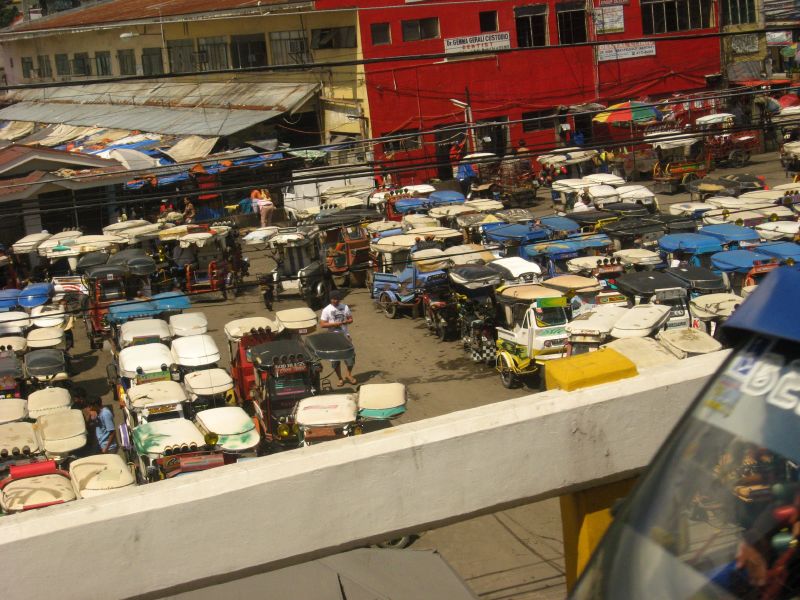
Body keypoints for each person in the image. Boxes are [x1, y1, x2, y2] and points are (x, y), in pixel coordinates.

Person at [319, 290, 356, 386]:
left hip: (345, 336)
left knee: (351, 357)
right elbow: (322, 324)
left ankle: (348, 375)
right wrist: (335, 324)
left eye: (338, 299)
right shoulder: (326, 310)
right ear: (331, 299)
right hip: (333, 338)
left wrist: (346, 322)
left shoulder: (345, 307)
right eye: (334, 299)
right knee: (335, 361)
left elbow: (351, 319)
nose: (336, 301)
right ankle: (340, 378)